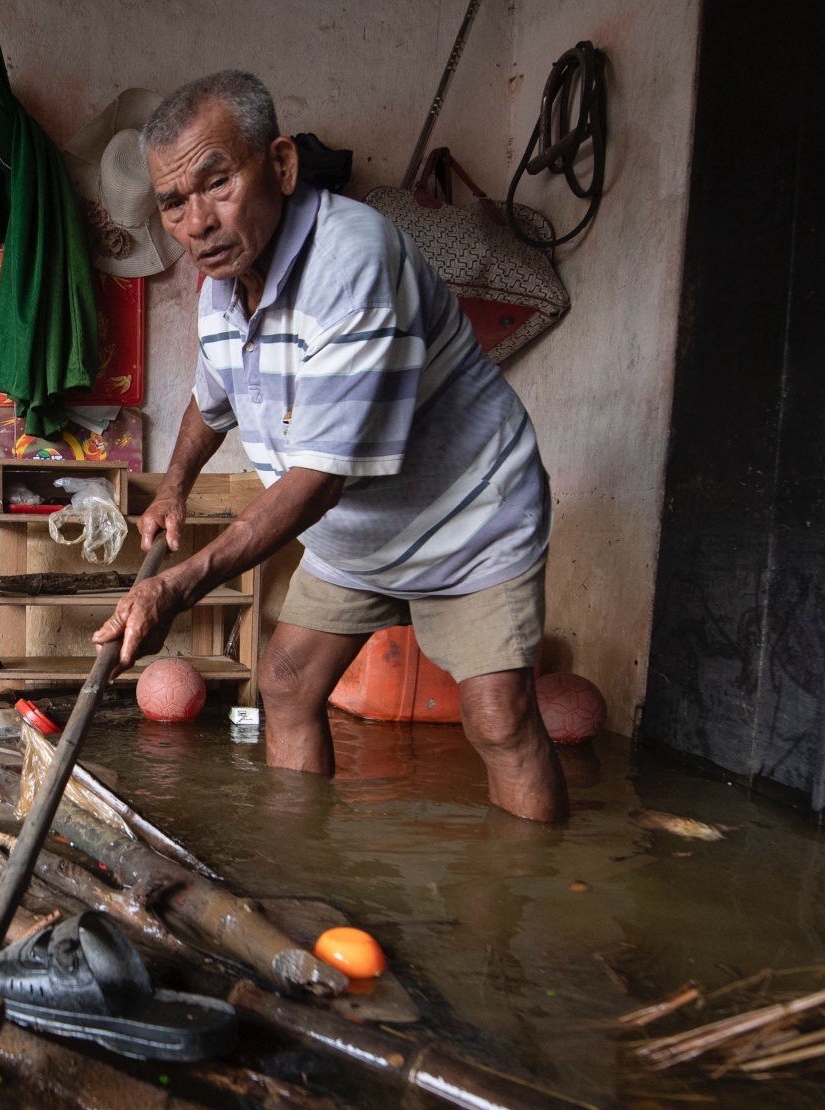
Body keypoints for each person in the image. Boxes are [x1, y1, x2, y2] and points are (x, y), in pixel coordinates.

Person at [93, 70, 567, 822]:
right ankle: (305, 874)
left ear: (280, 165)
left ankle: (536, 918)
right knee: (285, 684)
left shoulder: (351, 260)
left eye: (217, 183)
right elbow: (211, 398)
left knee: (499, 720)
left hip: (469, 515)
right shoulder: (223, 284)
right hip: (359, 536)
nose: (197, 222)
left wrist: (177, 585)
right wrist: (177, 485)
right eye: (174, 203)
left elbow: (321, 480)